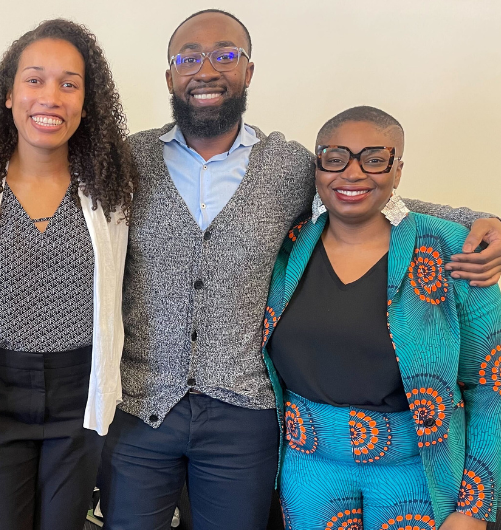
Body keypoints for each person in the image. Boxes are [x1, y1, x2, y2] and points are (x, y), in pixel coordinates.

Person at [98, 9, 501, 530]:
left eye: (226, 55)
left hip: (244, 413)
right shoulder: (127, 161)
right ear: (170, 74)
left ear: (248, 72)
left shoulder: (287, 165)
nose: (206, 70)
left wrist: (480, 219)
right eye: (189, 57)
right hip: (140, 406)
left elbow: (363, 192)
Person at [263, 106, 499, 529]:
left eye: (374, 159)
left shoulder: (450, 250)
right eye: (335, 158)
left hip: (416, 471)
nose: (351, 173)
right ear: (317, 167)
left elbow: (492, 385)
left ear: (398, 170)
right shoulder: (288, 247)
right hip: (308, 468)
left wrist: (474, 509)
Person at [0, 18, 137, 530]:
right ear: (8, 95)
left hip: (81, 393)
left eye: (69, 84)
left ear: (86, 102)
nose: (50, 96)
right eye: (34, 79)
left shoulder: (113, 189)